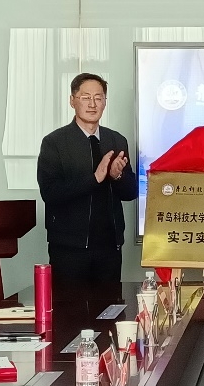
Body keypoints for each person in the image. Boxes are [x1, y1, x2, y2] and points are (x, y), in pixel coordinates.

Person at [37, 73, 137, 285]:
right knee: (69, 305)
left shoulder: (116, 140)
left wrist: (117, 176)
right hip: (68, 248)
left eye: (98, 98)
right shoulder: (55, 142)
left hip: (109, 247)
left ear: (105, 102)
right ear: (72, 101)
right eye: (85, 97)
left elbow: (131, 193)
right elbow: (50, 193)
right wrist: (95, 178)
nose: (92, 104)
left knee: (109, 304)